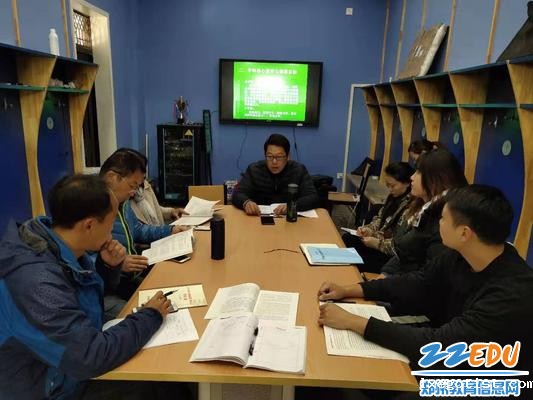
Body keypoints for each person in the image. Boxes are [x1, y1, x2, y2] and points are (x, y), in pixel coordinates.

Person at [318, 184, 533, 376]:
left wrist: (351, 321)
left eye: (443, 219)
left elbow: (439, 344)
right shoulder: (459, 255)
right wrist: (350, 290)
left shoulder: (512, 293)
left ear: (464, 233)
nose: (439, 224)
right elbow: (417, 283)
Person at [0, 174, 174, 399]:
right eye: (111, 222)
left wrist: (106, 267)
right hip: (51, 388)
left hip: (66, 368)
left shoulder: (59, 244)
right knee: (159, 385)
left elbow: (78, 298)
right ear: (89, 225)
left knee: (161, 376)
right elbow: (90, 356)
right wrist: (150, 316)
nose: (112, 231)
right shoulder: (36, 283)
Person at [99, 148, 187, 302]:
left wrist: (170, 230)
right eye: (132, 185)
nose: (134, 192)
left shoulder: (123, 202)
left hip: (128, 276)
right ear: (112, 177)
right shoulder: (91, 207)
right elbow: (86, 261)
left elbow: (138, 230)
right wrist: (116, 265)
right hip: (109, 288)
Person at [380, 148, 467, 276]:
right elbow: (402, 253)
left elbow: (429, 276)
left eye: (418, 172)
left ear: (436, 179)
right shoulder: (420, 206)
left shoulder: (443, 219)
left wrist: (385, 282)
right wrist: (385, 273)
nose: (412, 177)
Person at [342, 162, 414, 273]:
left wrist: (376, 243)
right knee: (348, 238)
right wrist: (369, 229)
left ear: (407, 183)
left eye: (393, 186)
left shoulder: (411, 207)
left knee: (354, 259)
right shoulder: (393, 197)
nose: (389, 189)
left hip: (390, 256)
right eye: (387, 185)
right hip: (379, 242)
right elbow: (380, 218)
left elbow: (398, 245)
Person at [232, 133, 319, 215]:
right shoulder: (254, 170)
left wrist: (292, 205)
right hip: (259, 218)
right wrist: (246, 203)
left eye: (279, 157)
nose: (274, 161)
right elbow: (238, 194)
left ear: (288, 156)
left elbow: (313, 197)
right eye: (270, 156)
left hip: (290, 219)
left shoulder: (299, 170)